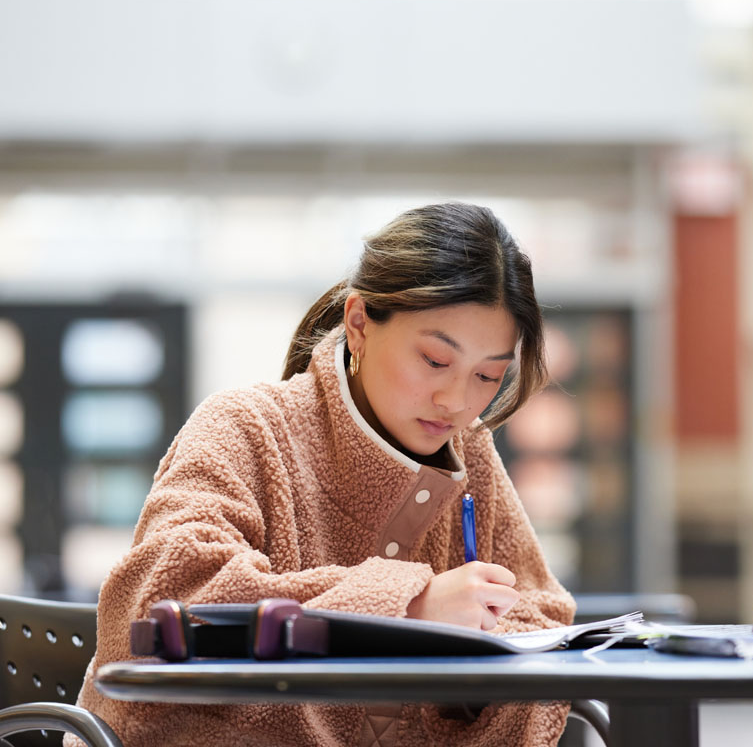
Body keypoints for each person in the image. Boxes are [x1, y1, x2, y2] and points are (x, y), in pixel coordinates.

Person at [69, 202, 576, 747]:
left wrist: (475, 654)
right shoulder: (246, 426)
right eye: (434, 360)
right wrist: (409, 608)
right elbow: (166, 600)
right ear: (358, 325)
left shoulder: (470, 452)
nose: (456, 401)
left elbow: (541, 614)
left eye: (487, 376)